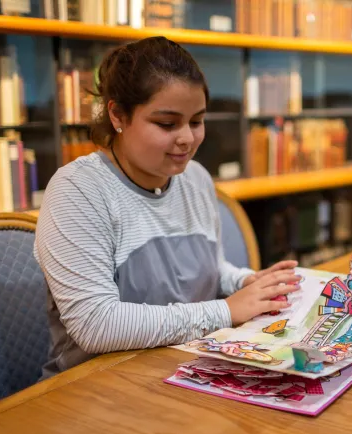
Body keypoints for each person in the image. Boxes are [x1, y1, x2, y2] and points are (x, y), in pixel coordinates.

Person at [34, 36, 299, 378]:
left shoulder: (196, 178)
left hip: (187, 367)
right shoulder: (78, 191)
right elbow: (95, 324)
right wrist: (225, 311)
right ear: (117, 115)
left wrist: (247, 283)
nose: (187, 138)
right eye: (167, 123)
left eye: (197, 121)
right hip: (97, 386)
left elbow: (208, 271)